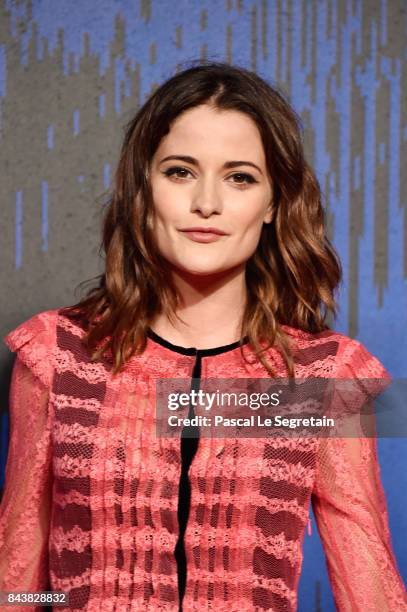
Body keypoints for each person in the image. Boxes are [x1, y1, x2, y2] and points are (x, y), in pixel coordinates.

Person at [0, 61, 406, 612]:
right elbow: (18, 576)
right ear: (143, 187)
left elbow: (371, 589)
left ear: (273, 204)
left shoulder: (323, 377)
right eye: (180, 171)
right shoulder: (58, 355)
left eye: (240, 176)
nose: (207, 203)